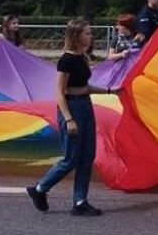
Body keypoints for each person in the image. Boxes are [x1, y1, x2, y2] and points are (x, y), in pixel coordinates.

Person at [26, 19, 114, 216]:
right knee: (71, 158)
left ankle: (80, 201)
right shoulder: (66, 60)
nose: (91, 36)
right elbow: (59, 91)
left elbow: (84, 87)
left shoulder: (82, 58)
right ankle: (39, 189)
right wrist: (69, 119)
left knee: (87, 156)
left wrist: (110, 91)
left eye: (90, 33)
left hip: (85, 105)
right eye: (87, 33)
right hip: (72, 107)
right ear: (76, 35)